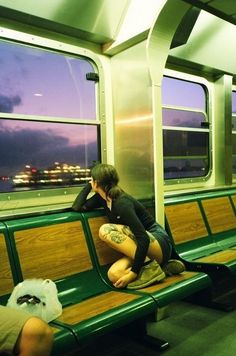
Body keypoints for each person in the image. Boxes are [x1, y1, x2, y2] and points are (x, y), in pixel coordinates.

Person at [72, 163, 185, 289]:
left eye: (92, 180)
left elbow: (143, 237)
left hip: (157, 241)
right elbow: (77, 207)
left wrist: (132, 273)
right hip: (142, 249)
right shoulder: (101, 198)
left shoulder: (121, 202)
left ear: (97, 182)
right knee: (114, 274)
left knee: (106, 230)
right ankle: (162, 269)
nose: (90, 182)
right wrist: (89, 186)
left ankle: (151, 267)